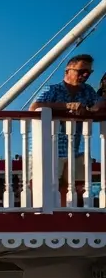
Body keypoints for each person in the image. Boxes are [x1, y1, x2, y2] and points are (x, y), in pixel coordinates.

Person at [35, 54, 98, 201]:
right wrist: (67, 106)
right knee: (48, 185)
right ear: (67, 71)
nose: (85, 75)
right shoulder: (53, 90)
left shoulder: (87, 91)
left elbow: (98, 104)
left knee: (76, 186)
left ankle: (67, 215)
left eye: (89, 72)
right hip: (51, 147)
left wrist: (91, 110)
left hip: (76, 147)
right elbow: (34, 107)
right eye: (81, 71)